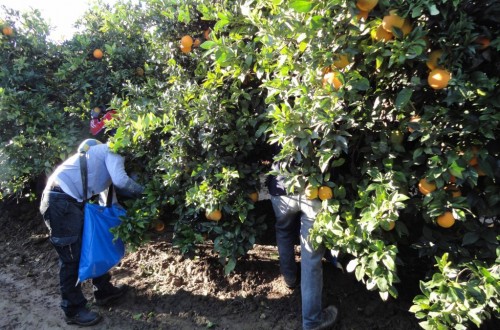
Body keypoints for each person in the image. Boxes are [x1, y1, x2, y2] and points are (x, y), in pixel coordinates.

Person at [39, 139, 144, 326]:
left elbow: (109, 202)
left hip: (68, 201)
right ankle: (73, 310)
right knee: (71, 257)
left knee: (94, 242)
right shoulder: (114, 149)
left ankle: (103, 291)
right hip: (59, 202)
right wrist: (147, 194)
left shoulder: (100, 164)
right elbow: (122, 182)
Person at [267, 144, 339, 330]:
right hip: (312, 189)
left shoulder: (270, 113)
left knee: (283, 231)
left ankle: (290, 278)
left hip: (281, 186)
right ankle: (312, 321)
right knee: (311, 257)